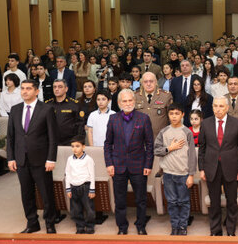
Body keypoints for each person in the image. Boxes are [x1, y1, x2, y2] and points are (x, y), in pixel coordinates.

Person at [7, 79, 58, 234]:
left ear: (36, 91)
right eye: (23, 88)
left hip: (42, 159)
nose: (25, 91)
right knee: (26, 193)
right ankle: (32, 222)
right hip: (21, 158)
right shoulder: (15, 110)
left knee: (46, 192)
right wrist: (11, 158)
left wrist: (51, 158)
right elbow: (11, 137)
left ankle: (50, 222)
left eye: (28, 88)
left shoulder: (47, 109)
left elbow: (52, 137)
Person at [104, 89, 155, 235]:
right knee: (120, 200)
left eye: (130, 100)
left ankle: (141, 225)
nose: (127, 103)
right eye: (124, 101)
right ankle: (122, 227)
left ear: (135, 101)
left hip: (138, 166)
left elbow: (149, 144)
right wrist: (109, 163)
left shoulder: (143, 118)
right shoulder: (113, 119)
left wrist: (148, 165)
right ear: (119, 103)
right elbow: (108, 144)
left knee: (141, 199)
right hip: (118, 165)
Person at [198, 96, 238, 236]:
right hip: (211, 168)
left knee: (232, 201)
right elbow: (202, 148)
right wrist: (201, 169)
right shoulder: (206, 123)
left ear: (226, 108)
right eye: (215, 106)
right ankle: (215, 230)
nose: (217, 109)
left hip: (231, 168)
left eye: (220, 106)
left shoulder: (237, 124)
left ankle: (231, 230)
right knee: (214, 202)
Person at [154, 104, 197, 235]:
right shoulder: (164, 132)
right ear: (168, 115)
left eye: (177, 114)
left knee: (183, 201)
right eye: (171, 114)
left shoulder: (187, 132)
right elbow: (156, 150)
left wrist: (191, 175)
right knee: (172, 202)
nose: (174, 116)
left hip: (183, 173)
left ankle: (183, 226)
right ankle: (174, 225)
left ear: (183, 115)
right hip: (168, 174)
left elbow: (192, 155)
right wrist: (169, 148)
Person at [64, 135, 96, 234]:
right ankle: (80, 226)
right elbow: (67, 174)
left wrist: (92, 189)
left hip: (85, 187)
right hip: (73, 188)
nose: (75, 149)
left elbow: (92, 175)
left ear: (83, 146)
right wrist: (68, 189)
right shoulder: (70, 159)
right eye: (72, 146)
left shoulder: (88, 159)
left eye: (77, 146)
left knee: (89, 208)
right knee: (75, 210)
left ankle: (90, 226)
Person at [134, 71, 173, 137]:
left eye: (151, 81)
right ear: (142, 83)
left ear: (156, 82)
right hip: (140, 137)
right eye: (145, 82)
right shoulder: (135, 96)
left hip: (160, 137)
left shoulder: (166, 96)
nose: (148, 84)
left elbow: (171, 117)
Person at [47, 80, 85, 146]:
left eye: (60, 87)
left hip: (70, 142)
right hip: (51, 142)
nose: (56, 89)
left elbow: (80, 125)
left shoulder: (75, 105)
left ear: (66, 89)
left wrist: (78, 142)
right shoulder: (47, 105)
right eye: (54, 87)